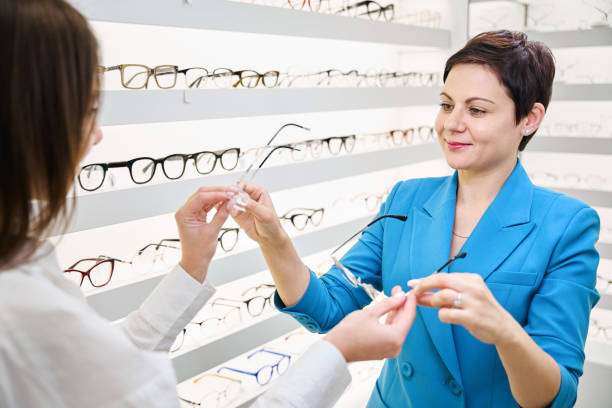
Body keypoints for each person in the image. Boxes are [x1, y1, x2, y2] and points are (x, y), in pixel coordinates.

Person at [0, 1, 418, 407]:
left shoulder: (23, 263)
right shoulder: (23, 299)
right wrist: (336, 352)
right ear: (31, 115)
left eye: (477, 109)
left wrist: (193, 264)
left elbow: (100, 376)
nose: (97, 136)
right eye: (88, 109)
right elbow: (329, 309)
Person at [229, 30, 601, 407]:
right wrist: (273, 240)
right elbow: (331, 310)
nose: (451, 124)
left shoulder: (567, 226)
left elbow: (554, 395)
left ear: (529, 119)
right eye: (446, 104)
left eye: (476, 110)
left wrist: (505, 332)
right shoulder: (406, 198)